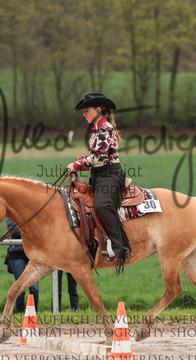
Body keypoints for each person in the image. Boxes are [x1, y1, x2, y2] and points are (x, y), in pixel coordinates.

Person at [67, 92, 132, 273]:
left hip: (110, 176)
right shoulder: (98, 128)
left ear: (98, 109)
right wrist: (85, 159)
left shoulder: (104, 129)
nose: (84, 114)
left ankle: (120, 247)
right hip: (100, 175)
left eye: (86, 110)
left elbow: (100, 158)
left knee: (102, 205)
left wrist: (76, 165)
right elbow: (99, 156)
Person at [4, 218, 39, 313]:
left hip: (32, 253)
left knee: (34, 288)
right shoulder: (11, 215)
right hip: (16, 253)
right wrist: (30, 231)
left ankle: (33, 313)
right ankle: (20, 312)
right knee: (20, 287)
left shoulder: (31, 213)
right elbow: (14, 231)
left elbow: (38, 228)